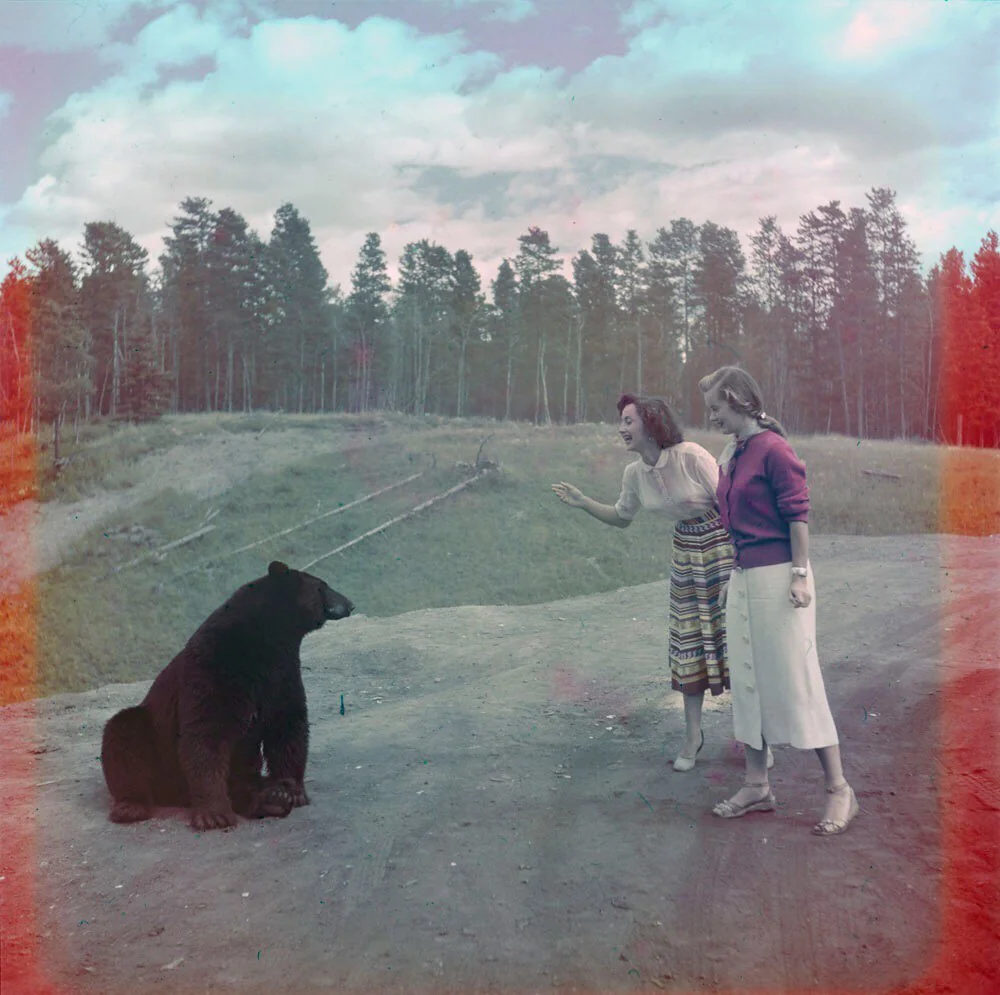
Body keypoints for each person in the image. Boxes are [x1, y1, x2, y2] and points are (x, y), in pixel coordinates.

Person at [553, 394, 769, 773]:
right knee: (689, 644)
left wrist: (739, 564)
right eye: (620, 422)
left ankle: (756, 738)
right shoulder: (634, 474)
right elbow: (622, 517)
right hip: (686, 557)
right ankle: (692, 737)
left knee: (737, 642)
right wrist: (584, 502)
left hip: (722, 548)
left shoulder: (691, 456)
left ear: (651, 423)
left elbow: (732, 504)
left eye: (627, 421)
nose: (621, 429)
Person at [699, 366, 859, 836]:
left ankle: (839, 790)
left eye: (716, 409)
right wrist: (737, 572)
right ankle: (756, 785)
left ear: (738, 401)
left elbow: (797, 516)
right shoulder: (735, 452)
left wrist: (800, 575)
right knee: (746, 680)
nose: (712, 419)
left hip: (781, 579)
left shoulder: (773, 449)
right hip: (746, 577)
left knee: (797, 680)